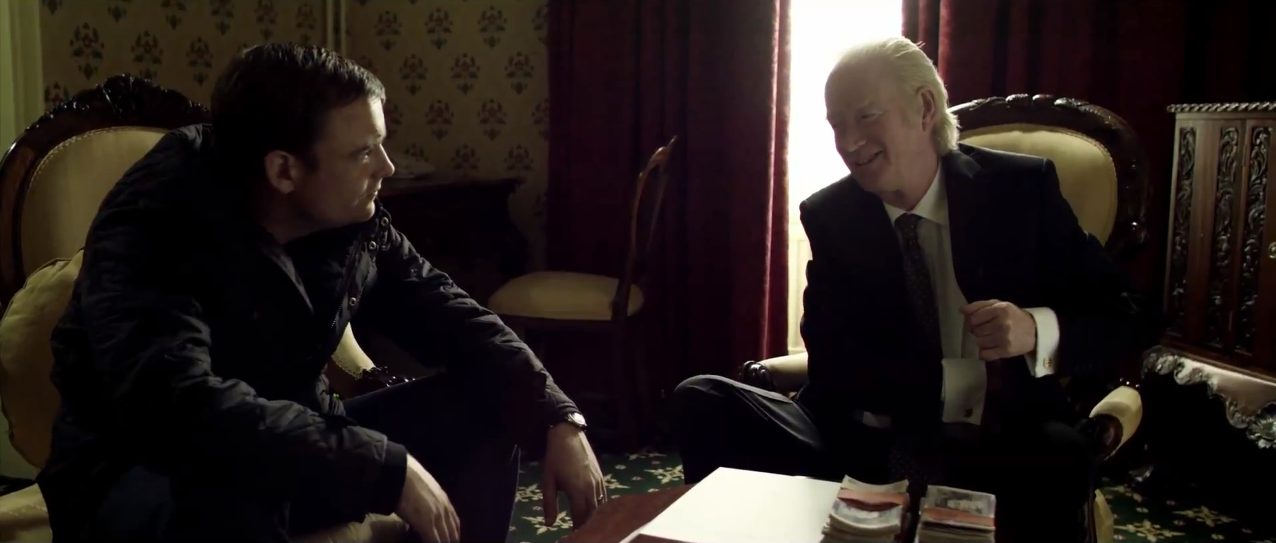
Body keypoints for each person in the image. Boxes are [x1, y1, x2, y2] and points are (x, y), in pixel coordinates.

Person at [38, 43, 607, 543]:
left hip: (292, 445)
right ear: (284, 170)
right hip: (137, 476)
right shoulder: (157, 219)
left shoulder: (349, 214)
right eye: (363, 152)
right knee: (235, 486)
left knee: (485, 401)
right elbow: (180, 408)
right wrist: (383, 467)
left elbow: (448, 314)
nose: (387, 168)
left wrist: (558, 416)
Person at [671, 37, 1162, 541]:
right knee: (704, 399)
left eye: (865, 116)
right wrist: (959, 384)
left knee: (1061, 456)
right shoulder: (832, 214)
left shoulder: (1019, 191)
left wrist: (1035, 330)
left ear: (925, 108)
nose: (848, 142)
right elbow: (833, 360)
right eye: (837, 125)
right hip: (861, 438)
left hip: (999, 438)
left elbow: (1130, 314)